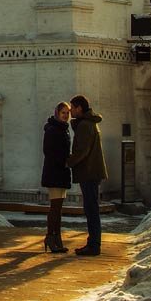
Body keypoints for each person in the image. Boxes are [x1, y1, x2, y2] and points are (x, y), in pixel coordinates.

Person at [66, 94, 108, 256]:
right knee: (92, 208)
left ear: (79, 108)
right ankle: (93, 243)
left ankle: (94, 245)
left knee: (91, 209)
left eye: (72, 108)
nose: (70, 111)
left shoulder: (85, 125)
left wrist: (69, 162)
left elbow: (82, 151)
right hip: (92, 171)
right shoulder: (90, 123)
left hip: (89, 171)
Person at [40, 102, 72, 253]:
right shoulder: (53, 130)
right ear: (57, 113)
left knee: (58, 208)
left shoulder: (64, 129)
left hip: (61, 172)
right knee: (55, 208)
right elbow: (48, 151)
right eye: (63, 113)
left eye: (67, 113)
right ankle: (51, 237)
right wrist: (64, 161)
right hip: (54, 172)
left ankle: (57, 238)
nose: (65, 115)